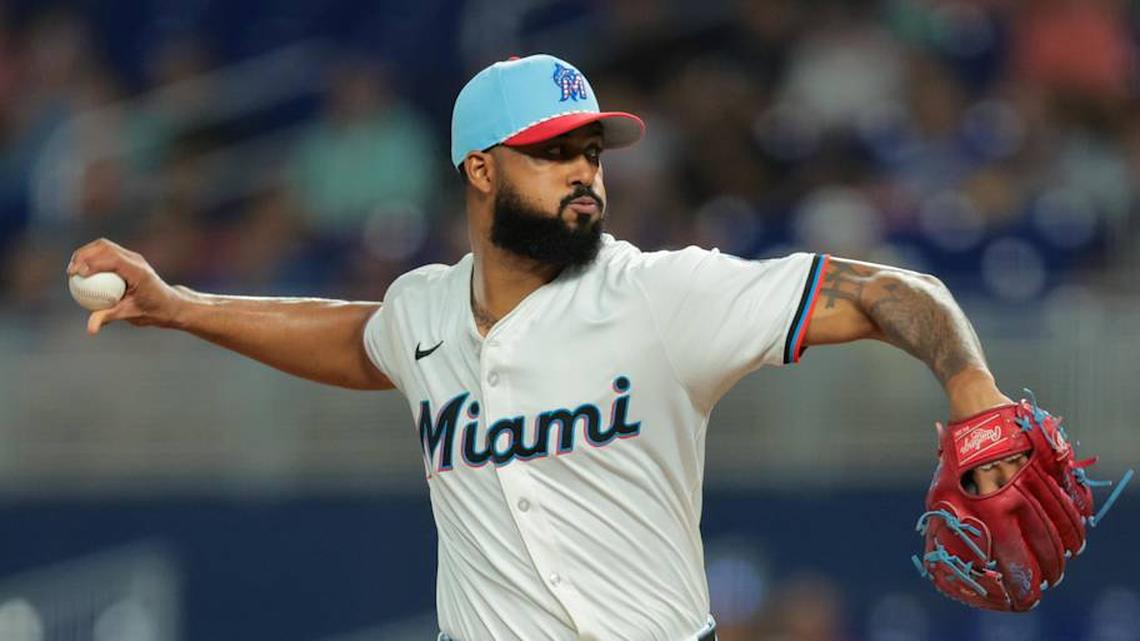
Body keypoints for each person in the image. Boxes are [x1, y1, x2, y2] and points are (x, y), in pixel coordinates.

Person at [67, 54, 1023, 641]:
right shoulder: (424, 312)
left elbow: (895, 290)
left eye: (594, 153)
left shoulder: (661, 293)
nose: (585, 174)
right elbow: (360, 342)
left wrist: (972, 388)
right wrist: (185, 305)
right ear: (481, 169)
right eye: (556, 151)